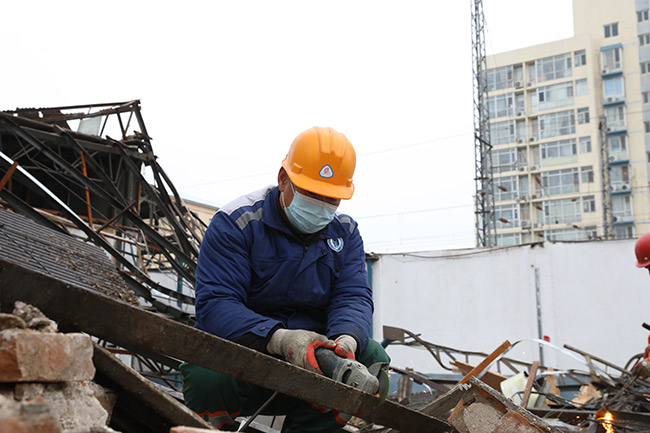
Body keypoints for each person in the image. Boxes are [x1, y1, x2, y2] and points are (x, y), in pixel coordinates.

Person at [180, 126, 390, 432]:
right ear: (283, 179)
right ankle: (216, 428)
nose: (321, 206)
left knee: (371, 358)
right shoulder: (236, 224)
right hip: (246, 359)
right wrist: (280, 339)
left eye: (331, 198)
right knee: (206, 371)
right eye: (310, 193)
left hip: (315, 365)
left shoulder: (345, 233)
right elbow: (216, 305)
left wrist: (346, 339)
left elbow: (353, 296)